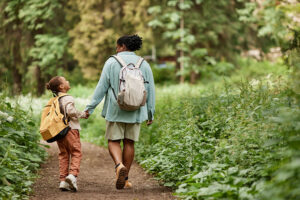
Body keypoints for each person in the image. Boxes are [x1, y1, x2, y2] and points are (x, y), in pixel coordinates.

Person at [85, 34, 155, 189]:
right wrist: (150, 112)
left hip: (116, 109)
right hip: (137, 109)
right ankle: (126, 178)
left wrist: (89, 108)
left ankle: (118, 166)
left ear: (122, 46)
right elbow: (150, 89)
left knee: (113, 140)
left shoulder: (111, 62)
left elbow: (101, 87)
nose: (116, 50)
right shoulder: (144, 64)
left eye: (117, 47)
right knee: (129, 143)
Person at [46, 76, 89, 192]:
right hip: (70, 129)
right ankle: (72, 176)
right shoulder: (67, 97)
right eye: (65, 80)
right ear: (61, 86)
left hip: (59, 131)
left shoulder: (55, 99)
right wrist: (83, 114)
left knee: (63, 154)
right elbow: (70, 112)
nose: (68, 81)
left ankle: (63, 181)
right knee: (76, 152)